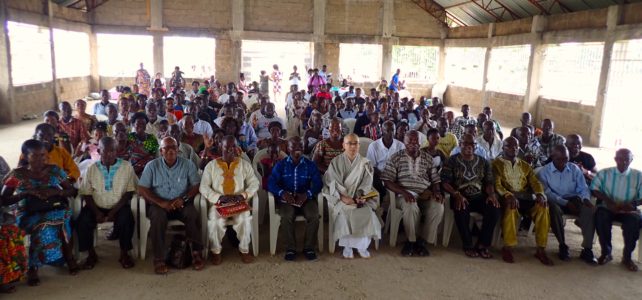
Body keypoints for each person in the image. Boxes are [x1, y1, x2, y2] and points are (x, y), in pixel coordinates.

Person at [1, 139, 78, 286]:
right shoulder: (17, 174)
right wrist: (27, 193)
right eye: (35, 156)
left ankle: (41, 264)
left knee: (61, 218)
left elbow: (71, 190)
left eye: (43, 155)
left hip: (55, 207)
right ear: (25, 156)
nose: (40, 159)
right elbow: (4, 199)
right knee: (43, 224)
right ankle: (43, 264)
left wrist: (55, 191)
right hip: (28, 213)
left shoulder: (54, 170)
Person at [138, 137, 204, 274]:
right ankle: (159, 258)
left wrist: (183, 198)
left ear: (178, 150)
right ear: (161, 151)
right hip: (159, 204)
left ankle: (196, 253)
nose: (170, 151)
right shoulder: (152, 166)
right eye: (166, 148)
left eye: (173, 147)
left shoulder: (187, 164)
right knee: (157, 217)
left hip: (181, 202)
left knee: (192, 214)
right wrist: (161, 203)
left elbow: (196, 185)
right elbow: (143, 189)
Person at [77, 137, 137, 270]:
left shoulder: (126, 167)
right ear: (99, 151)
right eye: (106, 151)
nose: (109, 154)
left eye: (113, 150)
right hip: (96, 206)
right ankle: (91, 254)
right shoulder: (92, 168)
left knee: (127, 219)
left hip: (119, 206)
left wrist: (113, 212)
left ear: (117, 151)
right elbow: (86, 192)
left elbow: (129, 192)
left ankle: (124, 254)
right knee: (82, 221)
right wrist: (97, 212)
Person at [381, 130, 443, 257]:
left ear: (421, 143)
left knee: (438, 206)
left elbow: (435, 179)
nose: (413, 143)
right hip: (403, 195)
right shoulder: (396, 157)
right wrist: (404, 192)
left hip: (424, 195)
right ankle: (411, 241)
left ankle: (423, 241)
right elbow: (387, 181)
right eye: (410, 140)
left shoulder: (427, 158)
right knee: (410, 206)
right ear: (404, 141)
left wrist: (436, 191)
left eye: (416, 141)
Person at [200, 136, 259, 265]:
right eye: (227, 147)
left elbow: (254, 183)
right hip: (219, 204)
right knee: (214, 222)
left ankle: (244, 250)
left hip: (239, 203)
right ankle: (216, 252)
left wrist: (243, 195)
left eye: (233, 147)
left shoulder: (244, 164)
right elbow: (203, 187)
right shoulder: (211, 166)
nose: (230, 150)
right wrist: (218, 198)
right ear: (221, 147)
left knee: (244, 220)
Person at [493, 137, 552, 265]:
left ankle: (541, 249)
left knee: (543, 207)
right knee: (511, 206)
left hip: (525, 197)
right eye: (509, 146)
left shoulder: (525, 165)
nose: (512, 149)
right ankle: (508, 247)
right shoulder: (496, 163)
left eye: (515, 146)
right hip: (508, 198)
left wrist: (540, 194)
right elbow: (497, 184)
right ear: (503, 147)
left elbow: (535, 182)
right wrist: (507, 195)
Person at [442, 134, 500, 258]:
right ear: (460, 144)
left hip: (478, 195)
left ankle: (482, 244)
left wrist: (491, 194)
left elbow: (489, 181)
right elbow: (445, 182)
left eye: (472, 144)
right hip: (459, 195)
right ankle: (468, 245)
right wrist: (456, 194)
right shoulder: (451, 160)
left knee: (494, 208)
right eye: (465, 144)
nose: (469, 147)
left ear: (475, 146)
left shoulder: (483, 162)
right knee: (461, 208)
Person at [323, 134, 381, 259]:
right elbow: (332, 183)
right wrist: (344, 198)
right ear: (343, 145)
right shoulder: (336, 162)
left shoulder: (365, 163)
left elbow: (367, 184)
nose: (353, 146)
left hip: (358, 199)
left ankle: (362, 246)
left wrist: (361, 197)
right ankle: (347, 246)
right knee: (346, 213)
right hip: (341, 198)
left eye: (356, 143)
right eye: (349, 143)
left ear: (359, 146)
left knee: (367, 212)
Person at [537, 145, 596, 264]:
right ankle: (562, 245)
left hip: (575, 199)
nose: (564, 162)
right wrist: (566, 203)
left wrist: (585, 199)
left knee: (590, 210)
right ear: (553, 157)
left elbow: (583, 188)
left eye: (566, 159)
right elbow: (547, 193)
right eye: (560, 159)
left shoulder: (574, 169)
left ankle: (587, 249)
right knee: (553, 209)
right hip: (557, 201)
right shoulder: (544, 172)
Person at [267, 137, 322, 261]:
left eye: (300, 146)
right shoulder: (281, 165)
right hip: (287, 199)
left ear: (303, 148)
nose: (297, 149)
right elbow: (271, 183)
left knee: (314, 215)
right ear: (288, 148)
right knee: (286, 216)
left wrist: (307, 194)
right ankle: (290, 248)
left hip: (306, 198)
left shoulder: (310, 165)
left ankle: (309, 247)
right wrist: (283, 193)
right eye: (293, 146)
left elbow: (318, 184)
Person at [592, 148, 642, 271]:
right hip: (608, 207)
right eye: (620, 159)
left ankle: (627, 257)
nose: (623, 162)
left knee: (634, 222)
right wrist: (609, 202)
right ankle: (606, 253)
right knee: (600, 216)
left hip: (628, 209)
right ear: (615, 159)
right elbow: (594, 188)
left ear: (631, 160)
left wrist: (633, 204)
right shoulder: (604, 173)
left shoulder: (639, 176)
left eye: (627, 159)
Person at [367, 121, 405, 199]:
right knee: (376, 181)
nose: (390, 133)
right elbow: (371, 166)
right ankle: (381, 203)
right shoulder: (374, 146)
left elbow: (403, 165)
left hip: (395, 174)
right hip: (379, 175)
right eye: (387, 130)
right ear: (382, 131)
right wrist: (384, 176)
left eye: (392, 130)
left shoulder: (400, 146)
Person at [127, 112, 159, 176]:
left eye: (143, 124)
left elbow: (155, 157)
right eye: (138, 123)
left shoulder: (151, 138)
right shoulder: (129, 137)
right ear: (133, 124)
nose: (141, 126)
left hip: (148, 171)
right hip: (132, 172)